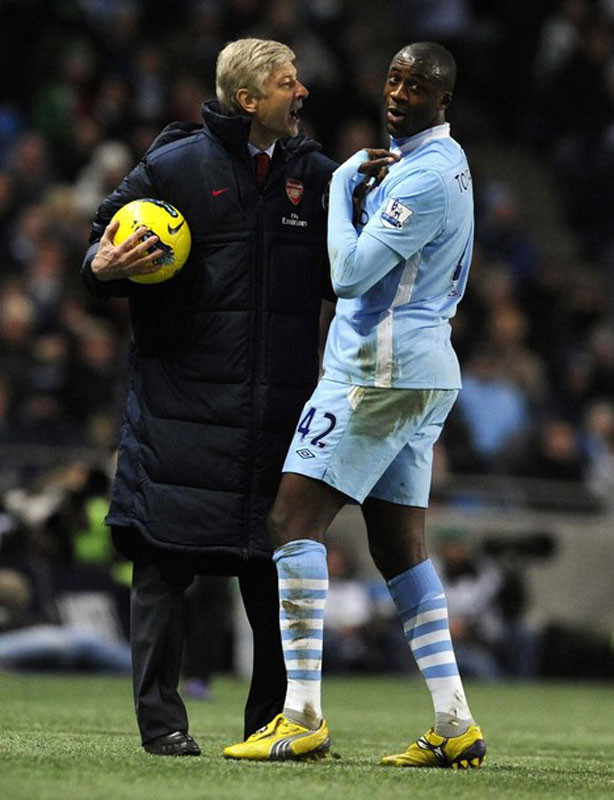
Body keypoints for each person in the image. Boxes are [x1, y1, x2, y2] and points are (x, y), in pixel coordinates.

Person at [224, 42, 487, 768]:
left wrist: (340, 187)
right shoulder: (448, 160)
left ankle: (301, 713)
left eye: (420, 86)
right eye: (395, 78)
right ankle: (455, 719)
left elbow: (348, 272)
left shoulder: (425, 177)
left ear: (445, 101)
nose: (400, 94)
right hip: (424, 369)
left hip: (377, 371)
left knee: (291, 518)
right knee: (399, 547)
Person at [80, 39, 336, 756]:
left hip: (277, 413)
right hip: (179, 408)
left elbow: (346, 276)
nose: (304, 92)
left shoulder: (315, 177)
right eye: (289, 83)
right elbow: (104, 242)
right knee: (163, 566)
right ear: (249, 99)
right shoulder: (174, 166)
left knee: (274, 573)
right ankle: (162, 726)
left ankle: (272, 727)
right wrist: (100, 265)